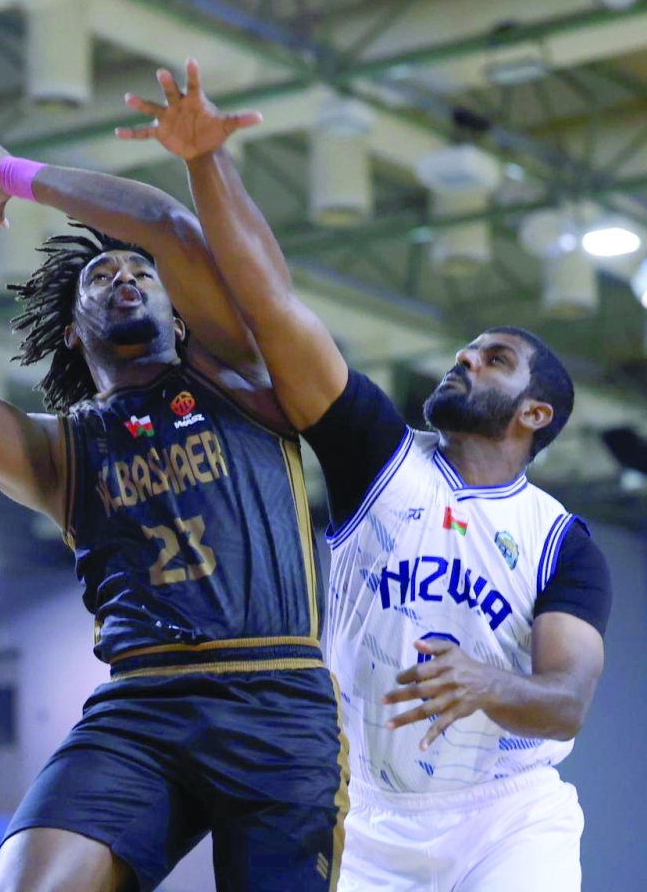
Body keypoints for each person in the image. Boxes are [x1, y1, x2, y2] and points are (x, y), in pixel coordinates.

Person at [119, 59, 613, 892]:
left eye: (494, 360)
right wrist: (205, 160)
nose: (465, 360)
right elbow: (276, 308)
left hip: (506, 810)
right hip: (372, 813)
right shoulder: (380, 456)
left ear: (537, 414)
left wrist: (484, 680)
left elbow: (565, 700)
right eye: (465, 350)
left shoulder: (562, 541)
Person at [0, 111, 349, 892]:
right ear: (74, 333)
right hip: (142, 704)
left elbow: (162, 221)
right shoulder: (63, 449)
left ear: (176, 312)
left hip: (274, 697)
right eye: (101, 278)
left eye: (140, 275)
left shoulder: (238, 377)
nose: (126, 278)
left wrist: (10, 174)